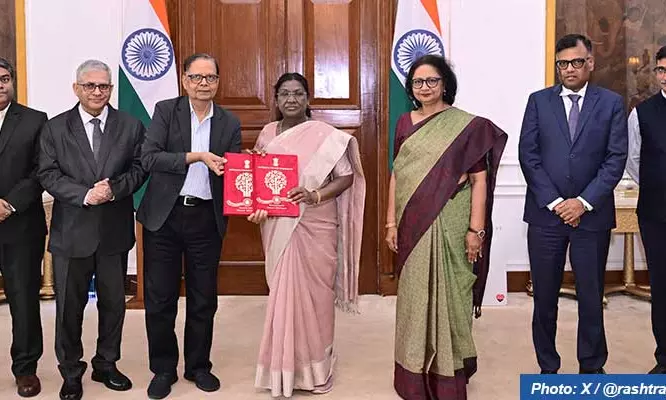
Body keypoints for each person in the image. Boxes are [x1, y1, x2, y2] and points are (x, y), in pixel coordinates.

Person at [385, 55, 507, 399]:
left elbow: (479, 180)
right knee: (414, 298)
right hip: (412, 224)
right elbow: (397, 174)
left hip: (453, 222)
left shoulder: (466, 127)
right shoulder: (404, 122)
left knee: (453, 295)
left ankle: (448, 375)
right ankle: (413, 373)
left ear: (445, 84)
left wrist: (475, 231)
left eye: (432, 81)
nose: (424, 88)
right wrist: (391, 222)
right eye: (418, 82)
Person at [247, 72, 365, 397]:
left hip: (317, 223)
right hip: (278, 223)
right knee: (282, 294)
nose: (291, 99)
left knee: (317, 298)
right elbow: (260, 176)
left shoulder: (325, 135)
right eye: (284, 93)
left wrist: (314, 195)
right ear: (276, 99)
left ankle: (316, 368)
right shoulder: (268, 133)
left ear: (308, 98)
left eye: (298, 93)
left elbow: (346, 177)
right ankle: (284, 370)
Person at [519, 34, 628, 375]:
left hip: (591, 218)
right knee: (544, 299)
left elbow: (616, 159)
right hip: (545, 217)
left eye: (576, 62)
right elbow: (528, 156)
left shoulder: (611, 103)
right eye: (562, 63)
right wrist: (556, 203)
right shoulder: (538, 101)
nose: (569, 69)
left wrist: (582, 202)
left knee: (591, 298)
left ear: (590, 63)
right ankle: (547, 368)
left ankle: (592, 369)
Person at [37, 59, 146, 400]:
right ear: (77, 88)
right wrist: (85, 195)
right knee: (69, 309)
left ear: (111, 88)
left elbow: (140, 168)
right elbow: (47, 173)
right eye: (90, 85)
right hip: (72, 232)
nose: (98, 92)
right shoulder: (55, 128)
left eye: (104, 86)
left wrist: (113, 189)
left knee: (113, 305)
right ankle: (71, 371)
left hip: (113, 231)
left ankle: (106, 364)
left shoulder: (130, 125)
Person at [136, 53, 241, 399]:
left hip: (206, 219)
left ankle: (198, 366)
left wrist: (248, 177)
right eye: (196, 77)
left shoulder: (229, 122)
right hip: (164, 217)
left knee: (203, 298)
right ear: (184, 80)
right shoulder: (166, 111)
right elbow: (149, 157)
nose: (203, 84)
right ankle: (163, 368)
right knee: (160, 298)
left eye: (210, 78)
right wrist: (196, 157)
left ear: (218, 82)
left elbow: (235, 171)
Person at [0, 57, 48, 398]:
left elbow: (41, 170)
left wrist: (8, 203)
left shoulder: (34, 120)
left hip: (20, 225)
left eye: (4, 78)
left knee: (24, 300)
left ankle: (26, 368)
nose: (0, 85)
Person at [625, 45, 666, 374]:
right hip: (656, 214)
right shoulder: (641, 113)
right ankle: (664, 358)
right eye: (662, 70)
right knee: (662, 287)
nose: (665, 76)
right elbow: (633, 160)